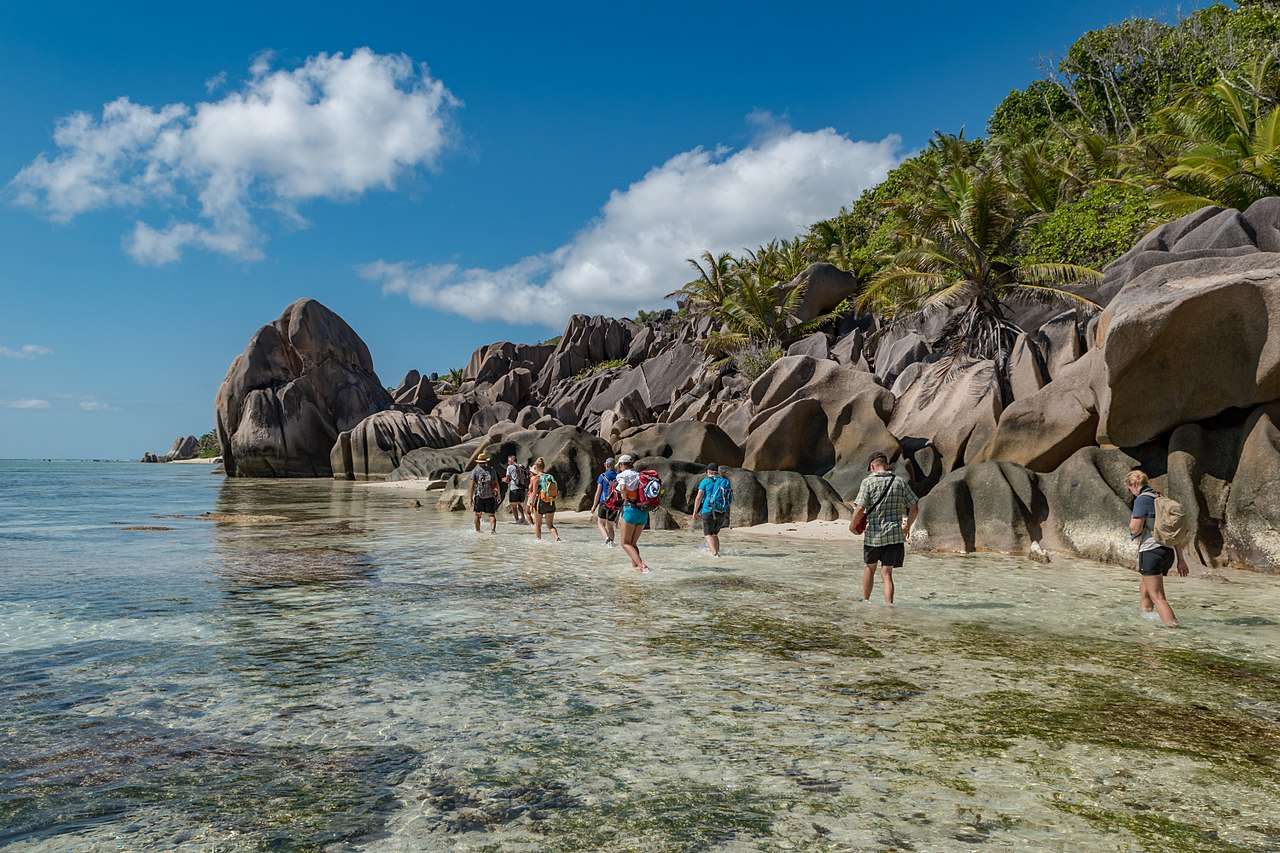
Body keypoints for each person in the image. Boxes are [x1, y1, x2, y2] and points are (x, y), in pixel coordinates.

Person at [848, 451, 918, 605]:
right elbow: (914, 506)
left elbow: (859, 509)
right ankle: (889, 607)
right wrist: (907, 526)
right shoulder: (899, 482)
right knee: (887, 574)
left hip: (874, 535)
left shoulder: (868, 482)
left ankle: (865, 601)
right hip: (894, 535)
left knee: (869, 568)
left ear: (872, 466)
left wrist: (852, 526)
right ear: (886, 465)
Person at [1125, 470, 1189, 627]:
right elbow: (1173, 533)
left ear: (1133, 485)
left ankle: (1173, 628)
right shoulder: (1160, 498)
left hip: (1151, 550)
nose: (1131, 492)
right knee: (1145, 588)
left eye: (1129, 488)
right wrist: (1181, 560)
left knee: (1158, 596)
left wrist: (1132, 527)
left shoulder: (1142, 500)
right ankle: (1146, 620)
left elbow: (1135, 528)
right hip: (1167, 552)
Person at [615, 455, 651, 573]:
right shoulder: (639, 475)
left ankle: (642, 566)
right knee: (633, 543)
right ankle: (636, 567)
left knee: (625, 543)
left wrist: (624, 497)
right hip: (643, 512)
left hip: (630, 510)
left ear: (621, 465)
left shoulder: (621, 475)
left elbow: (623, 487)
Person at [690, 462, 733, 556]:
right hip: (721, 511)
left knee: (707, 534)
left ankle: (714, 554)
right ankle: (717, 552)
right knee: (714, 534)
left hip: (708, 510)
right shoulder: (723, 481)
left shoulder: (705, 481)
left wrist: (695, 512)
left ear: (708, 471)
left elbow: (698, 498)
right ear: (716, 471)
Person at [530, 456, 561, 542]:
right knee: (550, 525)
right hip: (550, 502)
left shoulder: (536, 478)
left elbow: (534, 492)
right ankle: (556, 537)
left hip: (540, 503)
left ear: (536, 467)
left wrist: (531, 504)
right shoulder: (550, 476)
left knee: (538, 525)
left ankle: (538, 541)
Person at [470, 452, 499, 534]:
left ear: (478, 462)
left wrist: (470, 498)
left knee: (477, 514)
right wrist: (499, 495)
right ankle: (493, 531)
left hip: (479, 495)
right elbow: (496, 483)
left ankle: (478, 531)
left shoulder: (475, 471)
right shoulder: (492, 470)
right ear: (486, 461)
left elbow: (472, 485)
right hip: (490, 496)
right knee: (491, 515)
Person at [593, 457, 619, 546]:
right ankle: (611, 542)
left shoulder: (602, 476)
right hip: (615, 504)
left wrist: (594, 506)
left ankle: (607, 538)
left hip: (604, 503)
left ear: (606, 465)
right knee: (610, 525)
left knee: (600, 523)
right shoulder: (618, 476)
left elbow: (598, 492)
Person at [503, 454, 529, 525]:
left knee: (513, 505)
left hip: (514, 488)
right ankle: (523, 518)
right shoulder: (521, 466)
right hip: (522, 488)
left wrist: (503, 480)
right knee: (519, 504)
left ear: (512, 461)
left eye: (509, 461)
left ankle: (517, 520)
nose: (508, 462)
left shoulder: (509, 467)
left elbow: (507, 479)